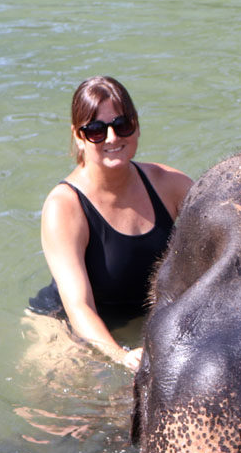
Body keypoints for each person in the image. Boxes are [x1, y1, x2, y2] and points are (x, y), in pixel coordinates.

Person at [28, 76, 192, 370]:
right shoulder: (64, 206)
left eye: (122, 125)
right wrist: (120, 356)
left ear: (137, 126)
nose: (113, 138)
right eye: (96, 131)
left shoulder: (169, 184)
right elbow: (78, 306)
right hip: (68, 328)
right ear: (79, 136)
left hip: (138, 319)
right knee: (80, 411)